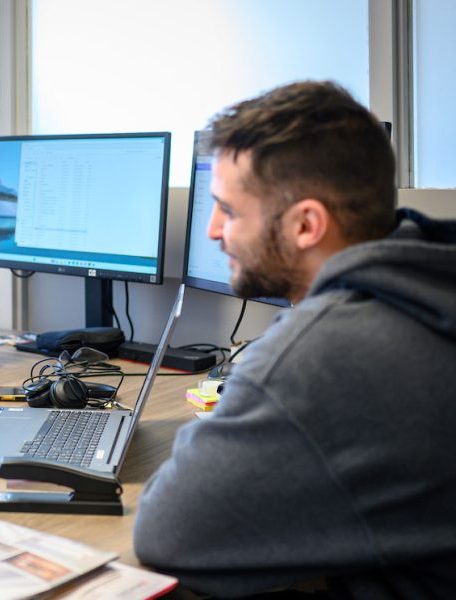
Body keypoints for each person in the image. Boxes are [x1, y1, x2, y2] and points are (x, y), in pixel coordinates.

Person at [133, 81, 456, 597]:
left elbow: (166, 532)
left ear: (307, 224)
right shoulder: (429, 283)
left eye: (230, 211)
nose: (213, 230)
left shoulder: (324, 353)